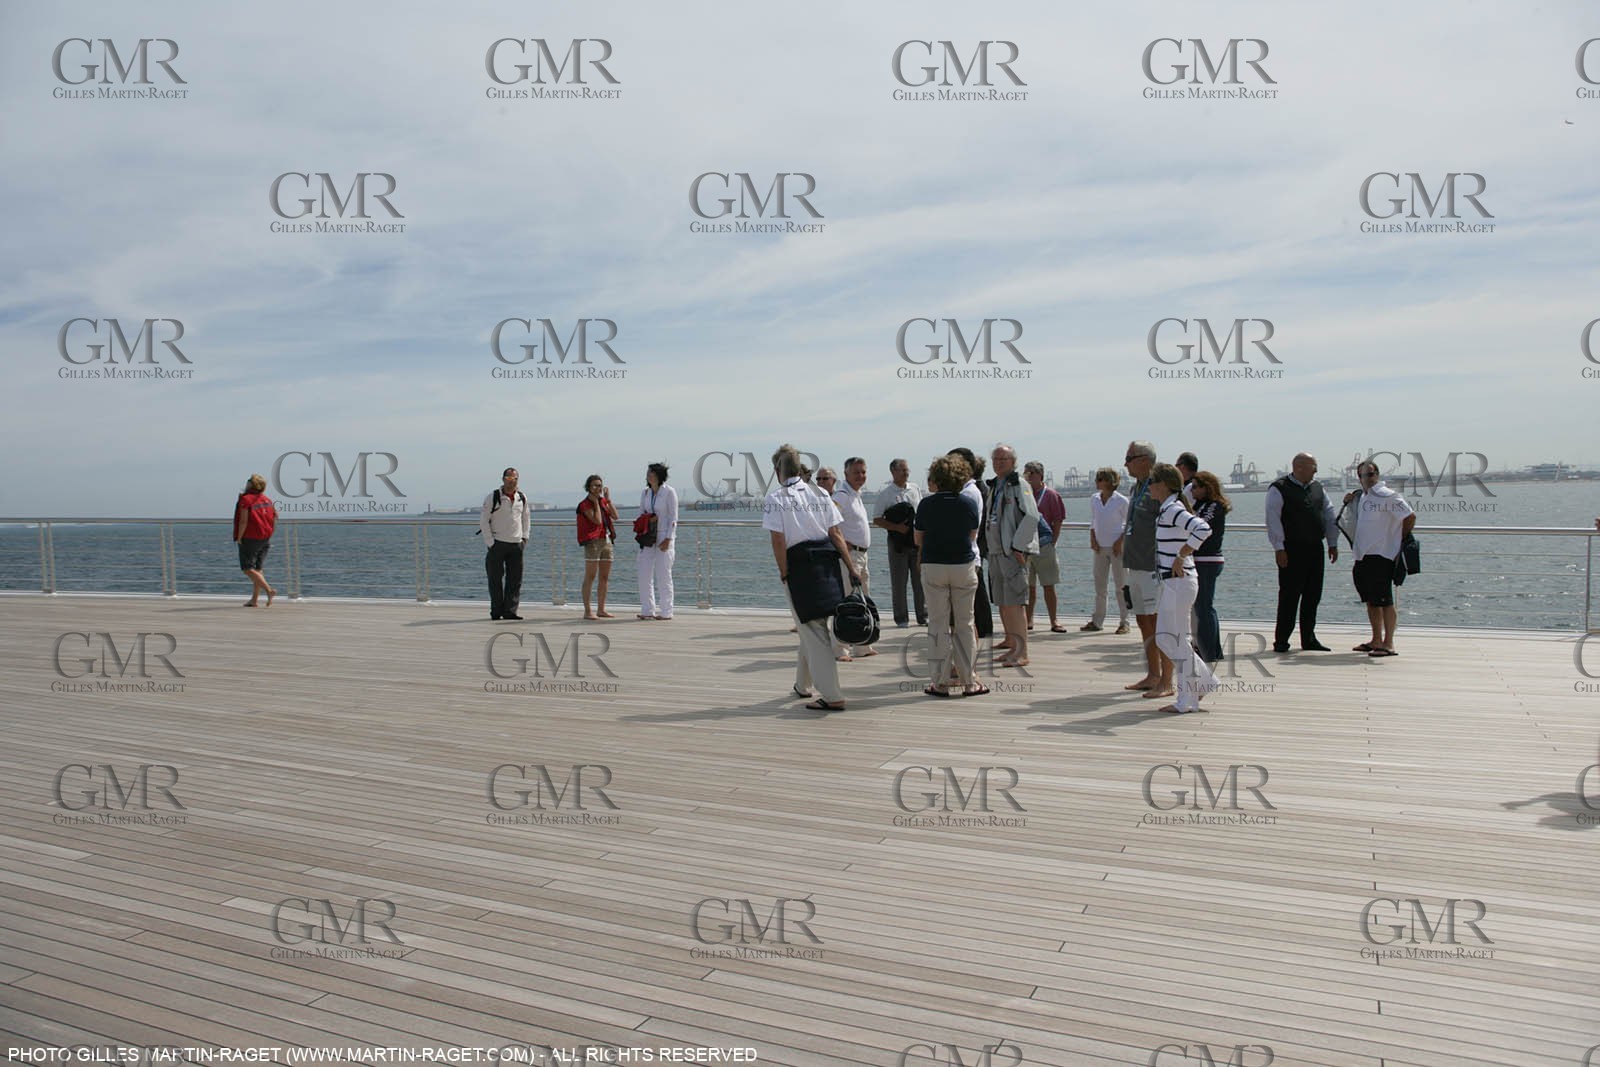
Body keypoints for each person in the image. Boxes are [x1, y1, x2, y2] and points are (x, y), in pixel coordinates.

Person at [764, 444, 862, 711]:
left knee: (812, 629)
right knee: (812, 627)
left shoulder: (776, 498)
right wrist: (850, 567)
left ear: (777, 471)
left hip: (799, 566)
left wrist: (784, 572)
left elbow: (778, 540)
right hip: (828, 563)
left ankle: (832, 695)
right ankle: (802, 684)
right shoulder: (819, 493)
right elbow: (836, 533)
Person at [916, 454, 986, 697]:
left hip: (934, 565)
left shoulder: (925, 504)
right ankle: (969, 682)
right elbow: (972, 535)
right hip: (962, 566)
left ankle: (940, 682)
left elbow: (918, 538)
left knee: (938, 624)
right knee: (965, 624)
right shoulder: (968, 503)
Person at [1149, 463, 1216, 714]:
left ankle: (1187, 700)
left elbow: (1203, 528)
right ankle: (1204, 682)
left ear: (1163, 485)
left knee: (1173, 639)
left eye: (1152, 482)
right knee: (1169, 639)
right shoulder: (1168, 508)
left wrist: (1181, 555)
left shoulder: (1172, 510)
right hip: (1174, 583)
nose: (1149, 487)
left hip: (1179, 581)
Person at [1265, 452, 1339, 652]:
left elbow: (1329, 514)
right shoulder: (1279, 488)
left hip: (1315, 547)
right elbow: (1273, 519)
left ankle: (1309, 638)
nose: (1316, 471)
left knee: (1313, 595)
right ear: (1299, 467)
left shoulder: (1318, 487)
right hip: (1291, 549)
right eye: (1313, 467)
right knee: (1289, 595)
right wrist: (1279, 548)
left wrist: (1332, 542)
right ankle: (1282, 640)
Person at [1343, 460, 1416, 657]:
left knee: (1385, 600)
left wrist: (1398, 539)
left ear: (1377, 475)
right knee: (1370, 600)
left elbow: (1409, 516)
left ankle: (1388, 643)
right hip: (1362, 556)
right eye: (1362, 475)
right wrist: (1349, 501)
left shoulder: (1388, 495)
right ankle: (1376, 639)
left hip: (1382, 555)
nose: (1367, 478)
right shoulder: (1362, 497)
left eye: (1371, 474)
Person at [1121, 441, 1172, 697]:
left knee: (1159, 622)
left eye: (1129, 458)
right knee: (1143, 620)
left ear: (1144, 460)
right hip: (1135, 564)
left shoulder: (1159, 486)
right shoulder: (1136, 487)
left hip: (1153, 566)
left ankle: (1167, 681)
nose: (1125, 463)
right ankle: (1153, 675)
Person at [985, 444, 1040, 668]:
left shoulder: (1020, 485)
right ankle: (1011, 646)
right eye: (996, 459)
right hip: (996, 552)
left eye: (1004, 459)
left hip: (1011, 554)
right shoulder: (995, 485)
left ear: (1013, 462)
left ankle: (1022, 652)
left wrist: (1018, 547)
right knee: (1003, 601)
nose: (999, 463)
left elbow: (1032, 516)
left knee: (1015, 602)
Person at [831, 457, 876, 660]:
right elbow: (829, 523)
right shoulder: (842, 496)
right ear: (846, 474)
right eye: (856, 472)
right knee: (847, 602)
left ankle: (862, 645)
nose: (861, 476)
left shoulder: (856, 496)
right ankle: (840, 649)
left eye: (863, 472)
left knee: (863, 600)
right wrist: (842, 542)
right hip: (849, 556)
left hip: (862, 555)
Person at [873, 458, 926, 628]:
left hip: (916, 540)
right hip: (897, 543)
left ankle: (923, 616)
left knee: (920, 580)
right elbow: (877, 519)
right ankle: (901, 618)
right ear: (893, 472)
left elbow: (920, 512)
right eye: (902, 470)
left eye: (907, 469)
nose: (906, 473)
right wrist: (896, 527)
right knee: (899, 582)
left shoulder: (915, 489)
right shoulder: (886, 493)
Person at [948, 447, 994, 642]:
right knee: (971, 603)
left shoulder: (968, 493)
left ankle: (974, 641)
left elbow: (967, 527)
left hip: (965, 554)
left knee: (966, 609)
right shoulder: (969, 491)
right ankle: (980, 634)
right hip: (968, 553)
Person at [1189, 471, 1231, 664]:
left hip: (1208, 560)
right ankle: (1213, 649)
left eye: (1195, 487)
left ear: (1207, 487)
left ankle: (1208, 651)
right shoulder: (1198, 505)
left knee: (1204, 607)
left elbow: (1200, 525)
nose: (1192, 491)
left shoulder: (1214, 505)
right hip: (1198, 559)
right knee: (1203, 607)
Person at [480, 467, 530, 621]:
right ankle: (496, 611)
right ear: (503, 479)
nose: (511, 481)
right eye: (508, 478)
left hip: (516, 544)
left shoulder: (522, 497)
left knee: (515, 580)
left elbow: (526, 519)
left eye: (514, 478)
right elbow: (484, 521)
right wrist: (490, 542)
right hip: (498, 543)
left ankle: (510, 611)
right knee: (495, 579)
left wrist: (524, 538)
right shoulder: (493, 497)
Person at [1084, 467, 1130, 634]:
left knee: (1121, 586)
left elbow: (1129, 524)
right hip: (1100, 547)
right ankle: (1097, 620)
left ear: (1110, 481)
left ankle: (1125, 622)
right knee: (1100, 586)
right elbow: (1094, 520)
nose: (1097, 482)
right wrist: (1093, 538)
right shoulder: (1094, 499)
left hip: (1117, 548)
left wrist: (1120, 541)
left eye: (1100, 479)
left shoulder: (1121, 501)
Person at [1023, 460, 1066, 633]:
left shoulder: (1051, 495)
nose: (1028, 477)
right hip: (1026, 547)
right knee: (1028, 587)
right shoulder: (1024, 493)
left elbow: (1058, 519)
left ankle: (1054, 620)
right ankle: (1028, 619)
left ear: (1040, 475)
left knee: (1049, 585)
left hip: (1044, 545)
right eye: (1026, 473)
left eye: (1031, 473)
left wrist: (1053, 541)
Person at [638, 462, 678, 620]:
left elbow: (673, 517)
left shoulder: (669, 492)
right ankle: (647, 609)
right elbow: (641, 513)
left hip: (663, 536)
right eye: (648, 473)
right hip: (648, 536)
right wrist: (648, 519)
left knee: (663, 575)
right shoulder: (645, 493)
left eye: (652, 473)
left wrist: (669, 538)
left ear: (659, 475)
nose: (649, 476)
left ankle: (666, 611)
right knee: (644, 573)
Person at [576, 474, 618, 620]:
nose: (597, 488)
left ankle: (601, 609)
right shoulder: (585, 504)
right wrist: (595, 503)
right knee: (590, 576)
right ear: (588, 487)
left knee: (604, 577)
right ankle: (588, 611)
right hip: (592, 542)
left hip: (606, 540)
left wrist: (608, 500)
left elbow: (615, 516)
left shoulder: (603, 501)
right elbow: (598, 520)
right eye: (594, 485)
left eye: (599, 485)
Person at [233, 473, 278, 607]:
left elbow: (243, 521)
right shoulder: (267, 500)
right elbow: (275, 517)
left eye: (249, 481)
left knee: (247, 568)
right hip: (264, 538)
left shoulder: (246, 500)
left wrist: (239, 537)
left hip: (250, 538)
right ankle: (254, 600)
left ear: (252, 485)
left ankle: (269, 590)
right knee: (257, 569)